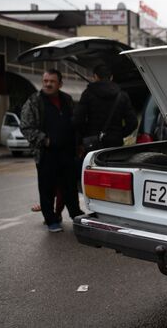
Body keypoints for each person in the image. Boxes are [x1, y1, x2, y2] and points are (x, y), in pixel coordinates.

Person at [20, 69, 84, 232]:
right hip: (46, 153)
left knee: (69, 186)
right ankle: (51, 220)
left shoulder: (67, 100)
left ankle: (75, 214)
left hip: (67, 152)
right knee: (47, 188)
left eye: (52, 81)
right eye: (45, 81)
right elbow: (26, 126)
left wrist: (78, 144)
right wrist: (45, 140)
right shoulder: (34, 101)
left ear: (60, 84)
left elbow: (74, 124)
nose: (48, 84)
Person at [73, 64, 138, 151]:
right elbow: (133, 122)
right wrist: (118, 134)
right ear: (111, 77)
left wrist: (87, 135)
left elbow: (77, 120)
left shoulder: (88, 94)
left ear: (95, 76)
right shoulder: (122, 95)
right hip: (115, 144)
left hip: (93, 143)